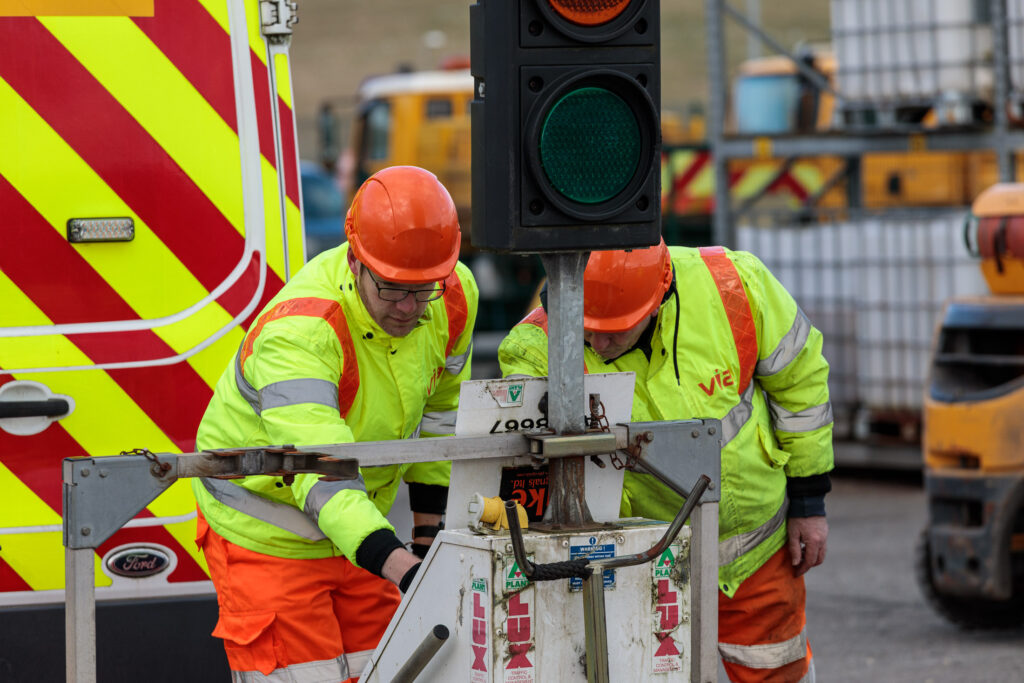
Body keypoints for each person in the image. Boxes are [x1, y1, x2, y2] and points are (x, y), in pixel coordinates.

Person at [498, 239, 832, 683]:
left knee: (776, 671)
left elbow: (801, 386)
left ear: (658, 299)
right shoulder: (534, 348)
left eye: (615, 330)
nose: (598, 342)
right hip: (638, 564)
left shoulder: (732, 285)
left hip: (754, 552)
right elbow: (531, 470)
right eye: (586, 327)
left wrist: (809, 500)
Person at [192, 166, 478, 682]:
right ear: (355, 261)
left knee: (392, 671)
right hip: (270, 535)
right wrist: (403, 567)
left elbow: (441, 415)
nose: (409, 308)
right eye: (392, 289)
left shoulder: (453, 296)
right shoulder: (301, 333)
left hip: (360, 528)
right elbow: (321, 471)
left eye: (423, 290)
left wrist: (426, 539)